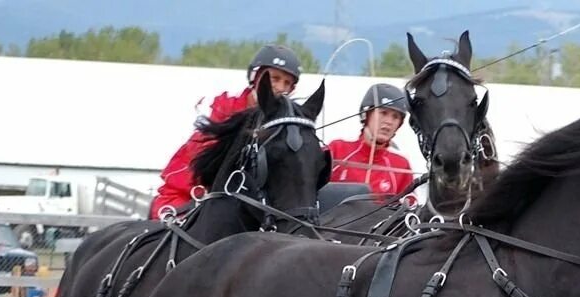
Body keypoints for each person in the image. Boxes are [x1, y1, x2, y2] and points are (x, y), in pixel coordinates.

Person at [149, 44, 303, 218]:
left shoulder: (289, 129)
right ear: (255, 77)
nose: (280, 88)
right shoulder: (221, 110)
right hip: (187, 200)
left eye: (287, 83)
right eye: (274, 78)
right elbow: (198, 161)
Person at [326, 83, 415, 198]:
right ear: (366, 115)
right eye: (383, 113)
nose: (389, 121)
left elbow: (411, 207)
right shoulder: (337, 149)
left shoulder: (401, 165)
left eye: (395, 117)